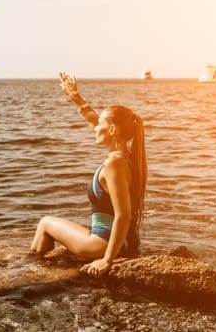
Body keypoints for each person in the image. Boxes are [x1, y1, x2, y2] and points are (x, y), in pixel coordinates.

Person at [30, 71, 147, 277]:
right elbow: (94, 120)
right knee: (49, 226)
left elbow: (124, 214)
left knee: (45, 223)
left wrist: (107, 260)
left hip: (102, 243)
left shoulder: (115, 163)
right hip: (122, 241)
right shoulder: (128, 157)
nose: (94, 128)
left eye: (100, 125)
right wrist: (74, 96)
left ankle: (32, 272)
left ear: (112, 130)